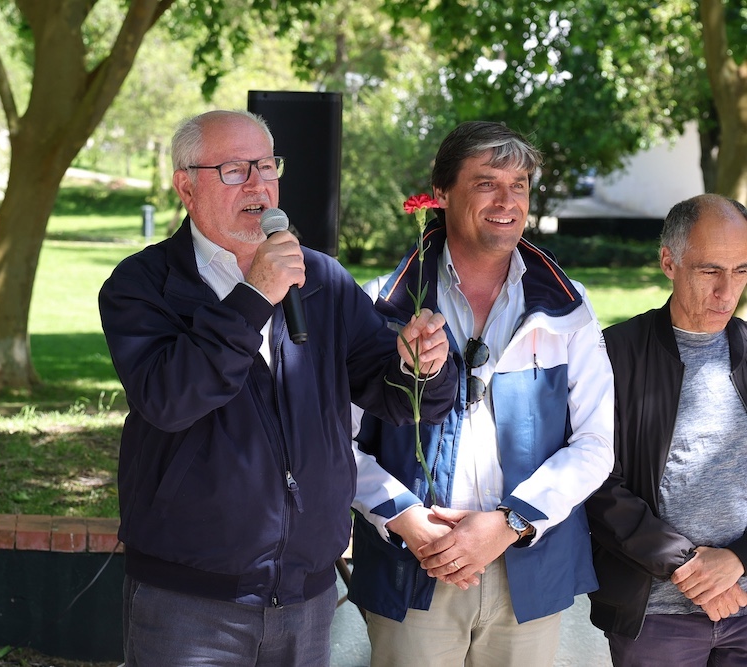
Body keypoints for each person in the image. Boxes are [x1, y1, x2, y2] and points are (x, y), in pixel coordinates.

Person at [98, 109, 458, 666]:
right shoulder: (142, 285)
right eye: (234, 169)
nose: (259, 184)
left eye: (267, 166)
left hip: (306, 594)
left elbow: (391, 392)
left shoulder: (323, 280)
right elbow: (169, 400)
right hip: (189, 600)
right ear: (185, 186)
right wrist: (252, 297)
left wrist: (423, 366)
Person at [348, 120, 615, 666]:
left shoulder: (569, 308)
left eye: (519, 184)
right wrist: (405, 519)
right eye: (487, 182)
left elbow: (596, 442)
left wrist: (511, 522)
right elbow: (337, 441)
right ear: (442, 194)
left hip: (527, 568)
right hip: (415, 565)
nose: (507, 200)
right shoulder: (381, 305)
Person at [585, 194, 747, 665]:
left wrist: (738, 559)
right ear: (668, 262)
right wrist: (688, 565)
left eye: (740, 271)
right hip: (654, 616)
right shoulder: (612, 355)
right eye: (710, 271)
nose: (727, 291)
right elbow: (594, 479)